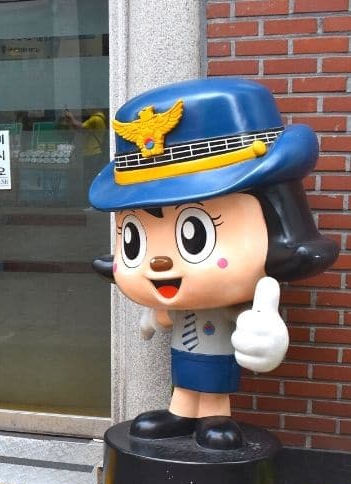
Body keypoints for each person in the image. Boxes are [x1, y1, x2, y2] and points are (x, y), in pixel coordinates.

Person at [89, 78, 337, 450]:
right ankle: (181, 412)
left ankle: (214, 415)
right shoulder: (175, 302)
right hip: (184, 355)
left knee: (214, 387)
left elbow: (251, 322)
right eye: (133, 238)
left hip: (218, 353)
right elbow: (162, 317)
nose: (159, 262)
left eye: (195, 235)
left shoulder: (230, 306)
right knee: (186, 382)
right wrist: (152, 316)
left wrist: (268, 334)